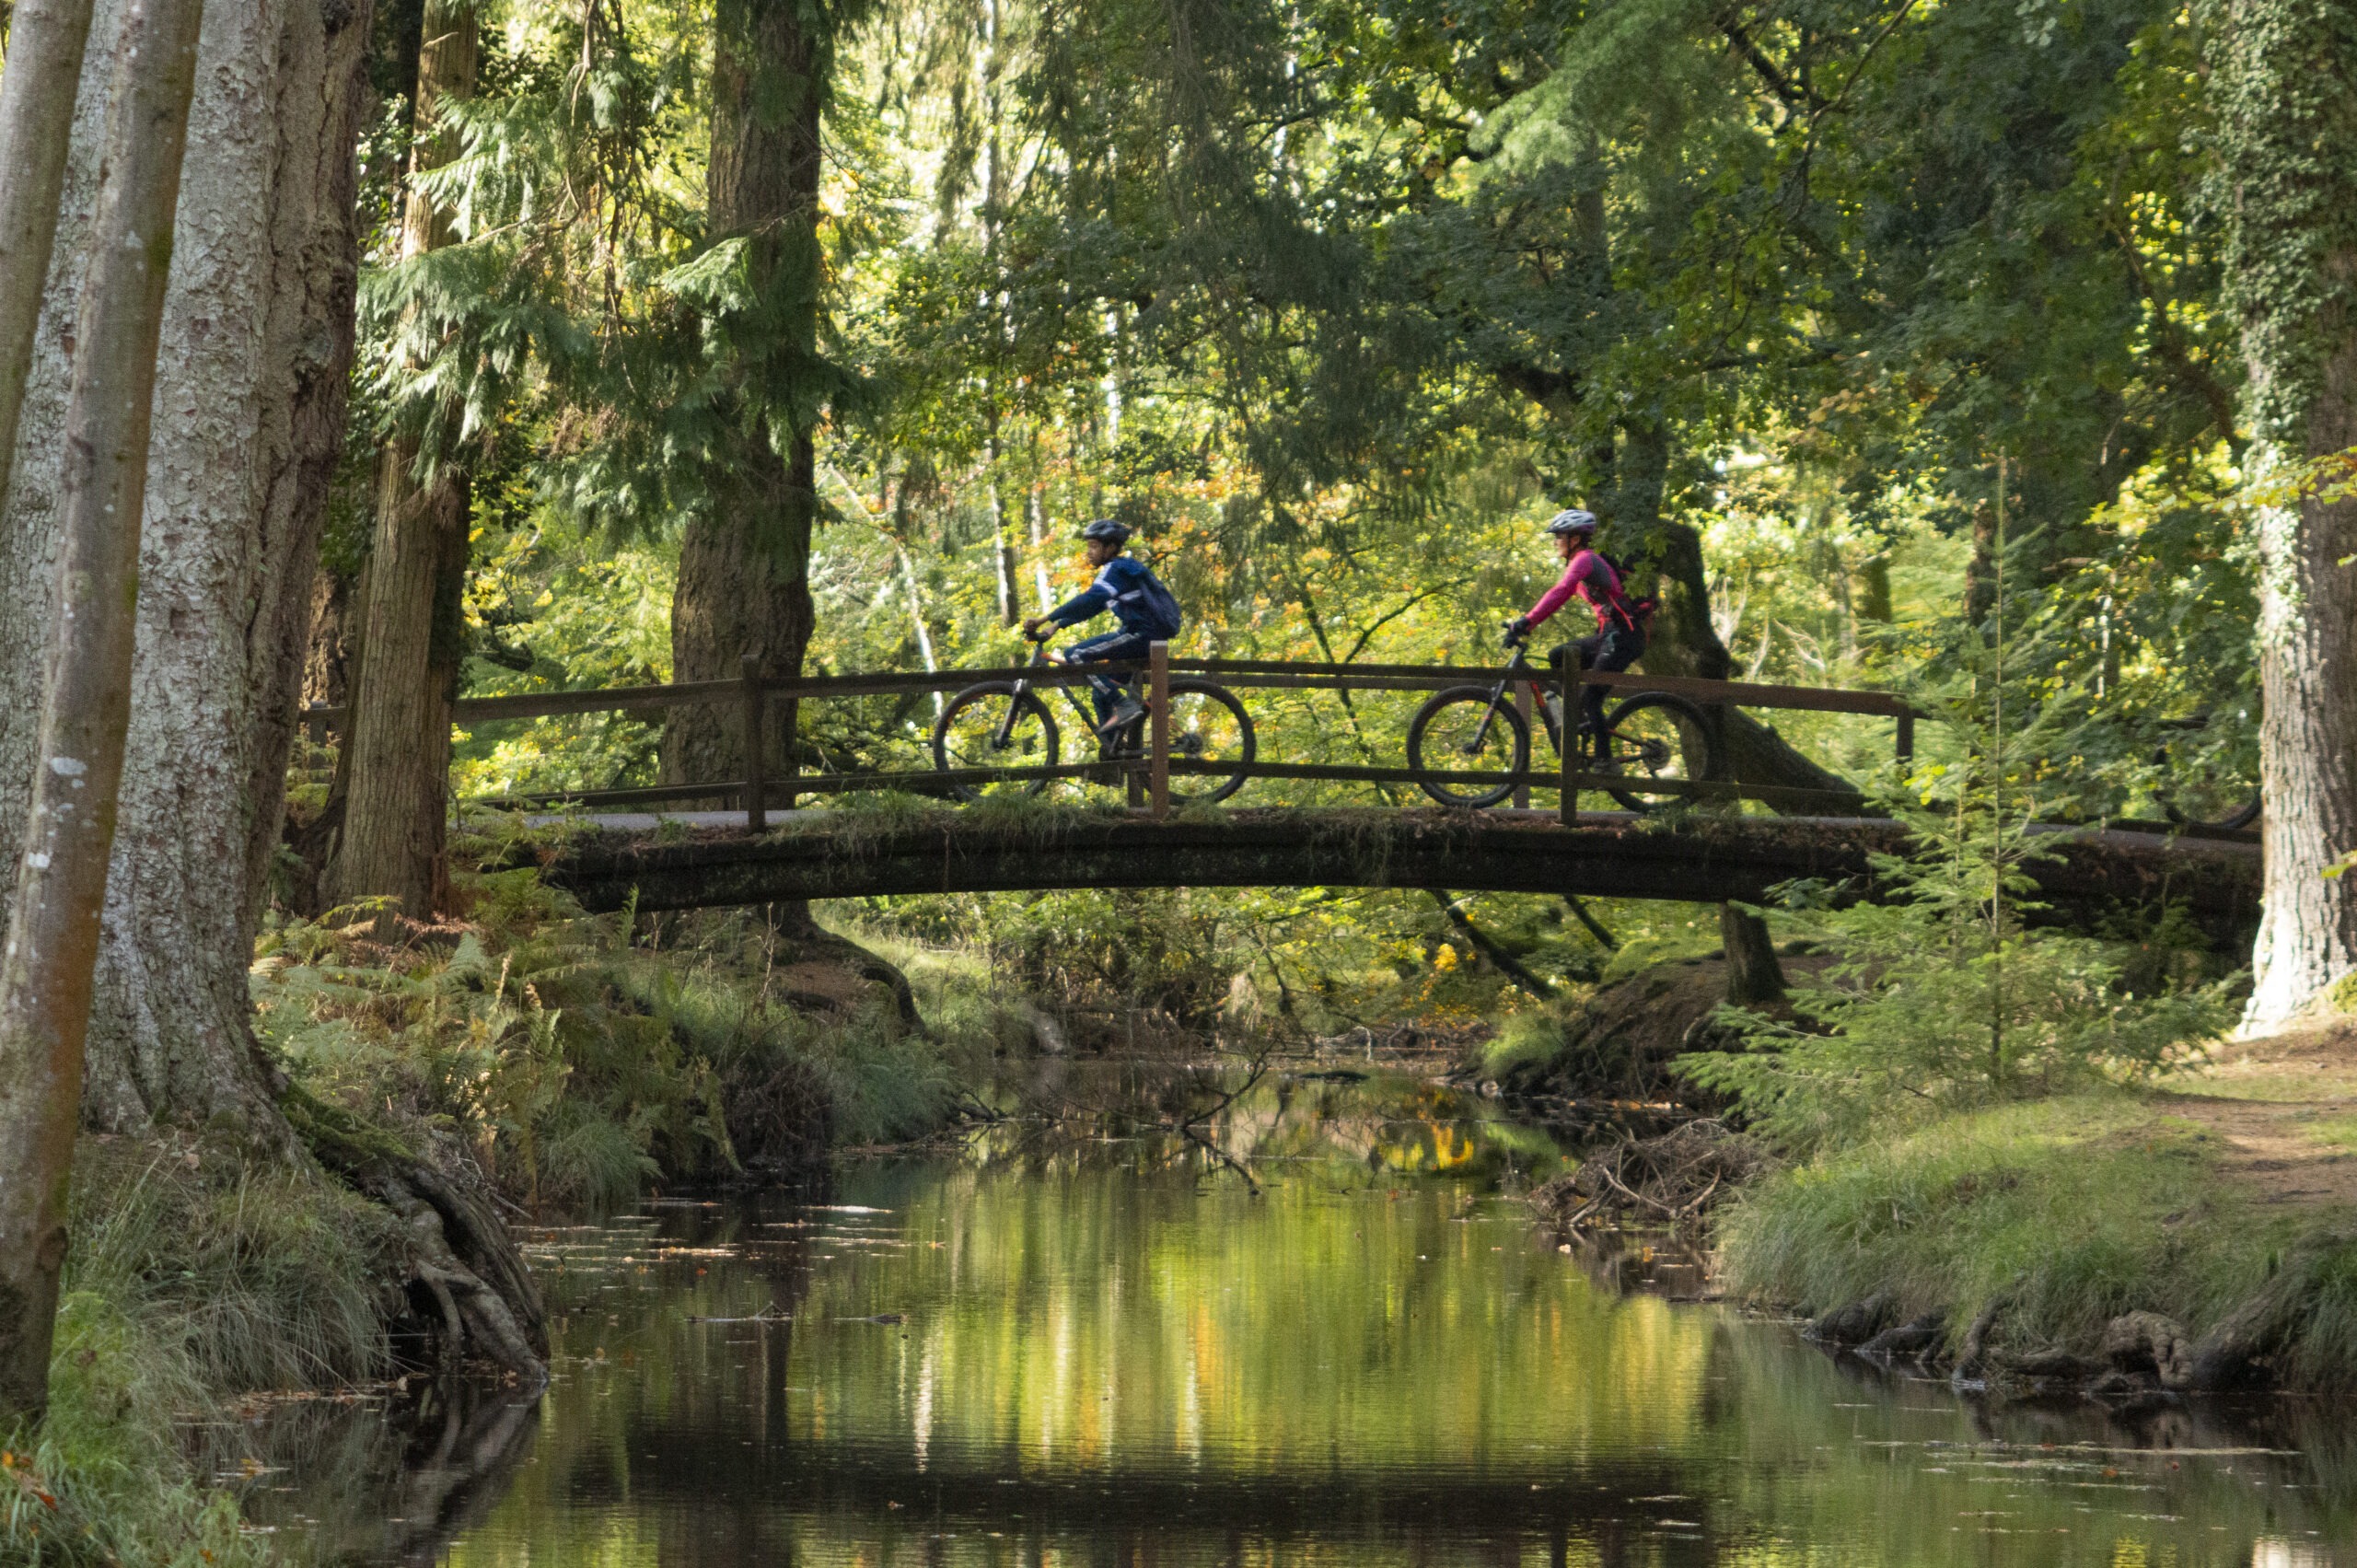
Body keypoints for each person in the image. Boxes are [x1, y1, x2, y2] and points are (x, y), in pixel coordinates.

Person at [1022, 517, 1184, 738]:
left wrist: (1043, 619)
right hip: (1143, 636)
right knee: (1101, 694)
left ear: (1110, 548)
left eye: (1094, 546)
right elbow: (1093, 607)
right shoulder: (1121, 569)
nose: (1089, 552)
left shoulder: (1116, 569)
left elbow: (1089, 599)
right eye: (1089, 546)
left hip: (1141, 635)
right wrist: (1056, 626)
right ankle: (1114, 754)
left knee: (1075, 654)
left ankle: (1123, 705)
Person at [1503, 508, 1651, 747]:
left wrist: (1526, 621)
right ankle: (1579, 720)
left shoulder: (1584, 560)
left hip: (1624, 637)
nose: (1555, 542)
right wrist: (1527, 624)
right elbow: (1559, 596)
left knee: (1592, 699)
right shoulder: (1581, 563)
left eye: (1559, 536)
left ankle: (1605, 762)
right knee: (1558, 656)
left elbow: (1559, 592)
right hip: (1609, 635)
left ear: (1575, 538)